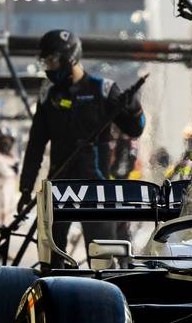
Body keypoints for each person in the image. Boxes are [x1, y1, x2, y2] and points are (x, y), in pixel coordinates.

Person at [17, 30, 145, 255]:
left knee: (103, 260)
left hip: (96, 189)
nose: (48, 67)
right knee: (50, 259)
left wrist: (133, 107)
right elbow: (35, 145)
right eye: (44, 61)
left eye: (52, 61)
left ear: (70, 57)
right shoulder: (48, 96)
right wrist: (26, 187)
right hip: (58, 187)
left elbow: (135, 128)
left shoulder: (103, 89)